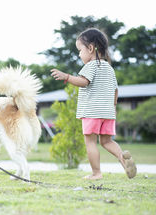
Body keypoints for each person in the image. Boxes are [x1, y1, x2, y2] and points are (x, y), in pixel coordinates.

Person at [50, 28, 136, 180]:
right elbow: (115, 91)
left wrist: (67, 77)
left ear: (90, 48)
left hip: (92, 112)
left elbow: (84, 82)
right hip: (108, 113)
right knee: (107, 141)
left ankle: (96, 173)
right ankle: (123, 159)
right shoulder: (109, 68)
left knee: (90, 143)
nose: (79, 54)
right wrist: (113, 107)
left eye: (79, 50)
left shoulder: (91, 65)